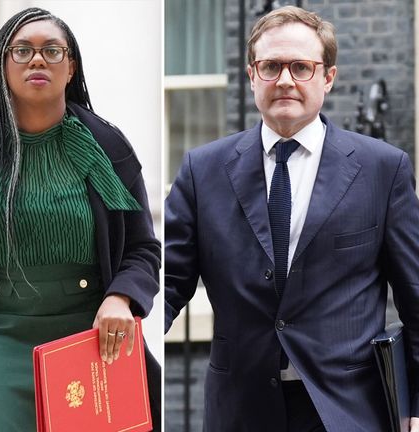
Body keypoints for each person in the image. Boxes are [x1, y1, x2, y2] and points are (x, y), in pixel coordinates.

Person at [165, 5, 419, 432]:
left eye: (301, 67)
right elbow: (166, 287)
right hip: (240, 411)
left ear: (328, 77)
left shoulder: (383, 169)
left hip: (346, 411)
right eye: (271, 66)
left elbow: (415, 296)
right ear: (252, 76)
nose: (285, 79)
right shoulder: (202, 171)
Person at [0, 7, 161, 432]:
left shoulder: (106, 147)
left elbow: (142, 248)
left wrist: (122, 297)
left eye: (51, 51)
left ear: (71, 67)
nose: (37, 60)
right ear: (3, 65)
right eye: (22, 51)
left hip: (90, 338)